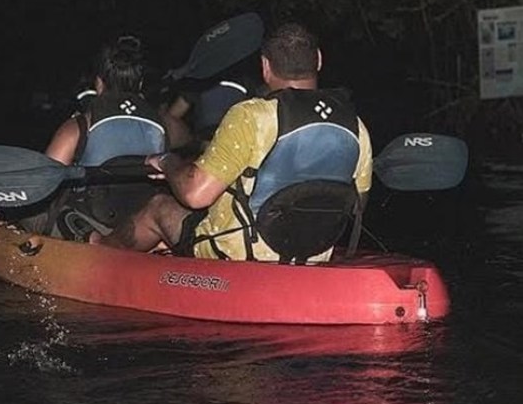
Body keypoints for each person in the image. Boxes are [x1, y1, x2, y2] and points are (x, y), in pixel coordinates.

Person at [92, 22, 372, 263]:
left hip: (239, 252)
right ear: (319, 60)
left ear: (265, 66)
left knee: (158, 206)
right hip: (314, 253)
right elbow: (355, 203)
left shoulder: (251, 116)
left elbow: (195, 194)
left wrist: (167, 162)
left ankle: (98, 250)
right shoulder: (355, 125)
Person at [44, 35, 167, 166]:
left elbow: (46, 177)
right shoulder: (164, 123)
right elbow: (189, 141)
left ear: (98, 83)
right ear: (141, 84)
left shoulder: (79, 127)